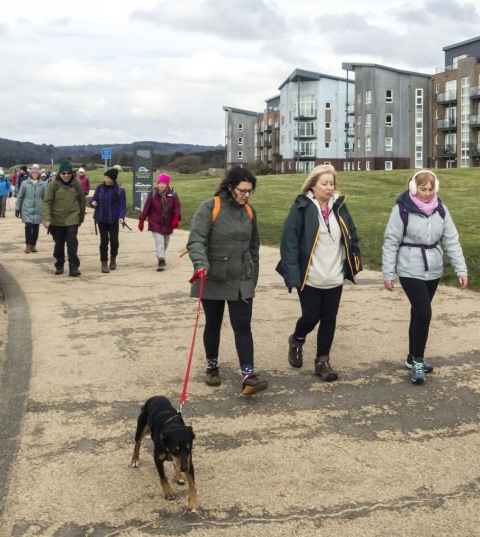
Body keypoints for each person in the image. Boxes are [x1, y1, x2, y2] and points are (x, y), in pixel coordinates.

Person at [276, 165, 361, 382]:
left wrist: (353, 261)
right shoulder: (302, 207)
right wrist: (292, 274)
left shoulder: (340, 207)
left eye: (332, 183)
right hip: (310, 276)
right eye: (324, 183)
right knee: (311, 316)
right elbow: (289, 242)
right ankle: (297, 340)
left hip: (334, 275)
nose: (329, 188)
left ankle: (322, 360)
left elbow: (351, 234)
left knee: (329, 318)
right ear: (313, 185)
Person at [382, 169, 468, 384]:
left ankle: (411, 357)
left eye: (431, 189)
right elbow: (391, 241)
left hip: (434, 269)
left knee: (418, 313)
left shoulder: (441, 210)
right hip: (410, 268)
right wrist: (388, 273)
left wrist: (461, 269)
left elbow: (451, 241)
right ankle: (419, 361)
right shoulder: (401, 210)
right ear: (413, 188)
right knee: (424, 312)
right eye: (423, 189)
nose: (427, 193)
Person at [186, 166, 266, 396]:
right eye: (243, 191)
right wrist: (201, 263)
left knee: (243, 326)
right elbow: (196, 241)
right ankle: (212, 366)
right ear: (230, 188)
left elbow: (254, 247)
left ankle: (249, 375)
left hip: (241, 279)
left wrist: (253, 277)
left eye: (250, 191)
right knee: (213, 323)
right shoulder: (209, 207)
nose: (247, 195)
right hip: (212, 276)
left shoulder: (250, 212)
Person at [43, 160, 86, 276]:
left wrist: (80, 218)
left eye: (69, 173)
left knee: (72, 241)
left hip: (72, 217)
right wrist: (47, 218)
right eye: (64, 173)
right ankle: (59, 264)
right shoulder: (53, 185)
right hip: (57, 219)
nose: (66, 175)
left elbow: (82, 201)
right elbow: (47, 202)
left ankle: (73, 266)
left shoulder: (77, 184)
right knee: (59, 243)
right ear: (59, 174)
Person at [138, 173, 181, 271]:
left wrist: (176, 218)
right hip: (155, 222)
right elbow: (146, 207)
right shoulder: (153, 193)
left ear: (167, 184)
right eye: (160, 183)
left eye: (163, 183)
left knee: (166, 242)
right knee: (159, 242)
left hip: (167, 223)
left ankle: (160, 255)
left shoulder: (172, 194)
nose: (161, 185)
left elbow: (177, 207)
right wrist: (142, 219)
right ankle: (161, 260)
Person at [90, 167, 126, 273]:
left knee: (114, 241)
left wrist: (121, 217)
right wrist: (92, 203)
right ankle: (104, 262)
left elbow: (122, 206)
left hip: (114, 220)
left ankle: (113, 258)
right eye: (105, 177)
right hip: (101, 218)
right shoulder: (100, 188)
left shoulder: (120, 191)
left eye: (107, 178)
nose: (105, 179)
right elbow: (93, 199)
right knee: (104, 241)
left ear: (113, 179)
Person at [15, 164, 47, 254]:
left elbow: (46, 199)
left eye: (36, 173)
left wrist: (47, 211)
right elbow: (20, 197)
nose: (35, 174)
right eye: (33, 172)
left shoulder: (43, 184)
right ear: (31, 173)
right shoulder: (25, 183)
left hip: (38, 209)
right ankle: (28, 245)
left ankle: (33, 245)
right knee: (28, 226)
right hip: (26, 209)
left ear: (39, 174)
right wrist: (17, 208)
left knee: (36, 228)